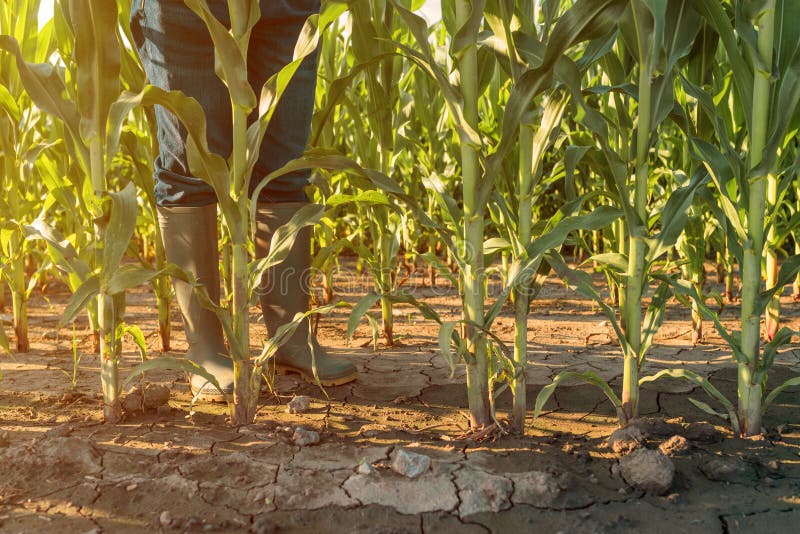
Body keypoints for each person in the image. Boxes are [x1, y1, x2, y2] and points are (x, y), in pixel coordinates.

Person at [130, 0, 358, 401]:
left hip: (287, 7)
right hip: (182, 8)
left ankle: (290, 340)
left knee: (285, 170)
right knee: (191, 168)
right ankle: (206, 350)